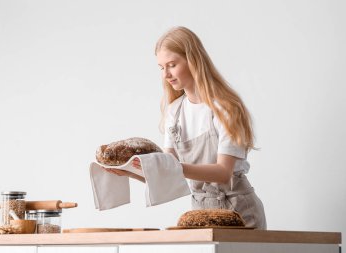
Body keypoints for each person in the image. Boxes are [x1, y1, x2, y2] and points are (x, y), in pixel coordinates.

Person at [105, 26, 266, 229]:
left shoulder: (226, 108)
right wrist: (126, 170)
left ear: (193, 60)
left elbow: (223, 172)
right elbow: (168, 172)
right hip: (200, 212)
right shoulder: (175, 111)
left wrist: (173, 167)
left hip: (239, 213)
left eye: (171, 65)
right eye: (161, 67)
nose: (166, 74)